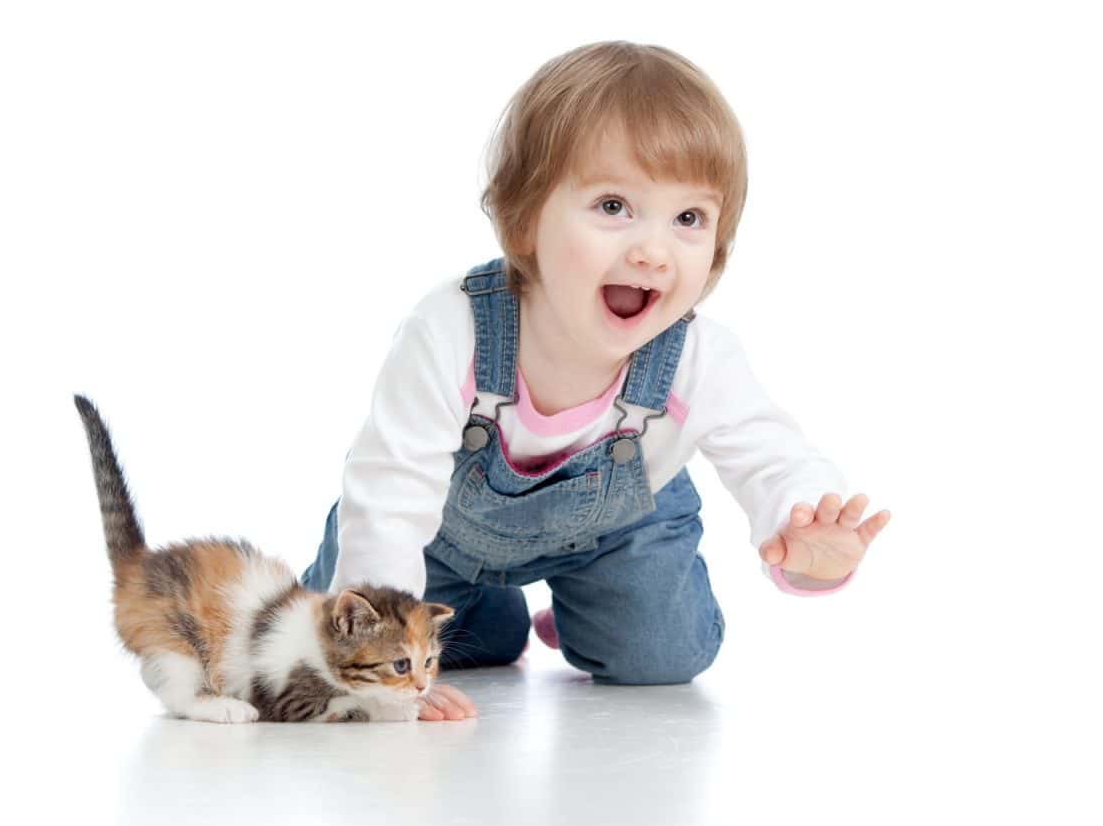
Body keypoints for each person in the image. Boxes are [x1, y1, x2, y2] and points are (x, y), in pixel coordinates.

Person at [301, 40, 891, 721]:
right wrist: (380, 689)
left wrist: (805, 524)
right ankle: (490, 611)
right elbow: (393, 490)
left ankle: (590, 608)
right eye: (613, 206)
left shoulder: (699, 357)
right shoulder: (452, 329)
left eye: (689, 218)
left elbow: (773, 453)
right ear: (525, 220)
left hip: (621, 531)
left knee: (664, 657)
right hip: (438, 533)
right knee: (340, 640)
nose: (651, 248)